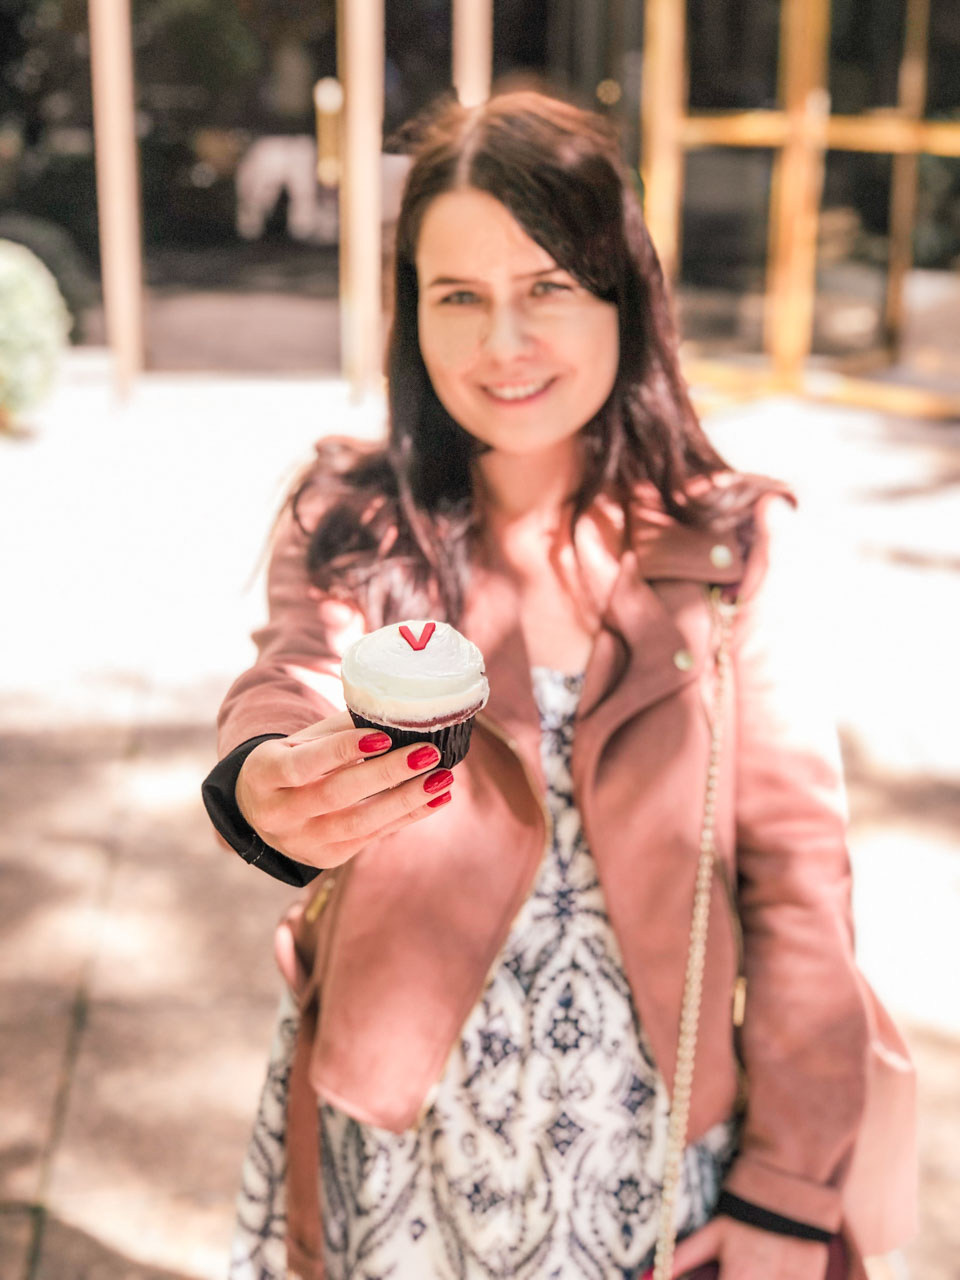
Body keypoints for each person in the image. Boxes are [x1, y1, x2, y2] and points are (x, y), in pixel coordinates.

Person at [202, 90, 912, 1280]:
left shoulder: (727, 550)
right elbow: (296, 673)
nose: (503, 344)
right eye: (458, 296)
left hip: (647, 1150)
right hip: (403, 1148)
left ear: (625, 297)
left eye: (549, 287)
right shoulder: (355, 517)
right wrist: (265, 782)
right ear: (410, 315)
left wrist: (788, 1196)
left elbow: (797, 882)